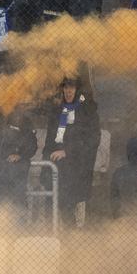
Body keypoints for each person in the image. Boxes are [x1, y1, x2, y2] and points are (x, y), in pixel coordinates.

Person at [43, 76, 100, 228]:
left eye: (72, 87)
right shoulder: (57, 111)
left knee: (72, 200)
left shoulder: (87, 111)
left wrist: (68, 151)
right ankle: (57, 229)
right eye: (66, 87)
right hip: (57, 165)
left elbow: (92, 139)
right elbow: (50, 139)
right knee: (53, 198)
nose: (68, 91)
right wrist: (46, 161)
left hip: (78, 164)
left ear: (77, 90)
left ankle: (73, 233)